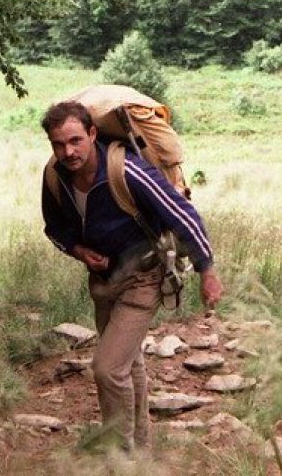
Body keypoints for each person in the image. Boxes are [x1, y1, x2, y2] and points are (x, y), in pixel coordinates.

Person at [41, 100, 223, 451]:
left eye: (76, 140)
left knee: (108, 368)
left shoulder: (127, 170)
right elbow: (54, 227)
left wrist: (207, 271)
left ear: (92, 133)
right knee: (128, 362)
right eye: (59, 144)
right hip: (103, 282)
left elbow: (182, 215)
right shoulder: (55, 176)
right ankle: (140, 449)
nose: (69, 152)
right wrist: (78, 250)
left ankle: (119, 454)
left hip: (144, 277)